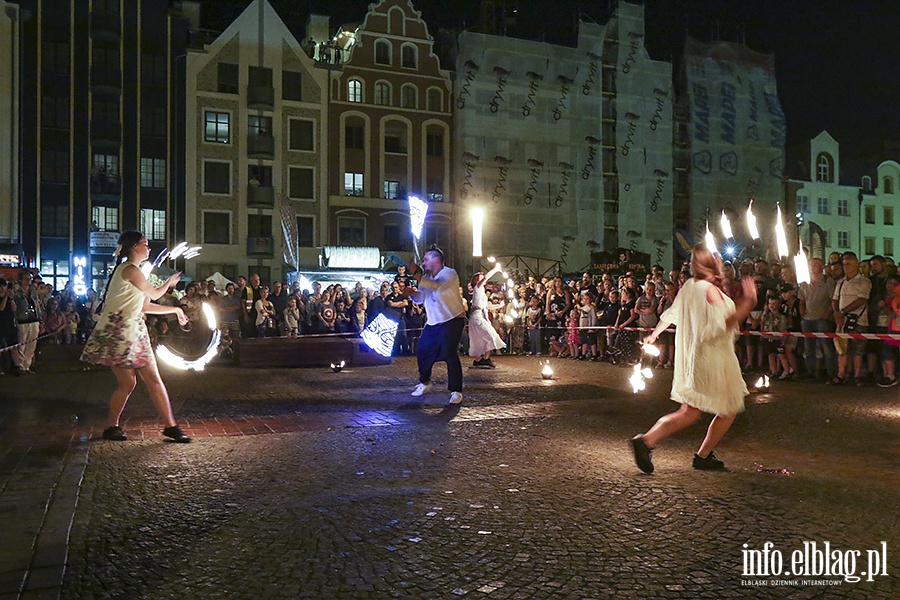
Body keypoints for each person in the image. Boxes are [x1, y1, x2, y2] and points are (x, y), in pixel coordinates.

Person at [630, 243, 757, 473]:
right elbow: (724, 323)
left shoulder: (689, 287)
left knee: (688, 412)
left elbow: (671, 315)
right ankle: (702, 455)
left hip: (693, 358)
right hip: (713, 358)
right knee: (729, 407)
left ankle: (646, 440)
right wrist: (749, 301)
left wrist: (653, 335)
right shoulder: (708, 290)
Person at [80, 231, 192, 443]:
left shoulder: (133, 271)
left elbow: (145, 306)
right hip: (121, 332)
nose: (149, 249)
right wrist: (168, 282)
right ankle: (165, 427)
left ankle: (163, 426)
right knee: (140, 382)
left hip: (131, 332)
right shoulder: (130, 269)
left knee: (137, 382)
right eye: (146, 244)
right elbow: (156, 294)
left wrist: (175, 311)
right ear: (134, 247)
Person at [403, 247, 466, 405]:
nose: (423, 263)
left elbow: (437, 286)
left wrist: (417, 275)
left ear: (435, 260)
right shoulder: (427, 278)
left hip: (452, 320)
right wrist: (411, 293)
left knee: (449, 353)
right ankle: (425, 382)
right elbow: (421, 298)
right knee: (422, 350)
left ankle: (456, 391)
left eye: (426, 260)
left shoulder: (449, 274)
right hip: (434, 322)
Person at [468, 265, 506, 367]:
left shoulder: (481, 293)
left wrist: (498, 306)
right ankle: (483, 358)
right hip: (477, 317)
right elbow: (486, 278)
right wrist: (496, 269)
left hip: (480, 316)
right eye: (480, 277)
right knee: (487, 335)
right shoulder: (477, 288)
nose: (483, 277)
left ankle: (482, 359)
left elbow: (485, 307)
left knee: (488, 335)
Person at [12, 270, 43, 375]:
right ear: (20, 279)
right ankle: (20, 366)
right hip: (22, 320)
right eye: (26, 278)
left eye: (30, 278)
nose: (29, 280)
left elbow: (37, 305)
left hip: (34, 319)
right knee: (22, 344)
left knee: (31, 344)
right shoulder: (17, 292)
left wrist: (40, 318)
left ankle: (27, 366)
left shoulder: (33, 291)